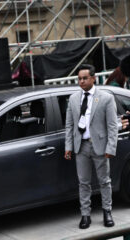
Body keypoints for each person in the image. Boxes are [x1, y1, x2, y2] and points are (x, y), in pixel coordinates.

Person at [64, 64, 118, 229]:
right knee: (83, 183)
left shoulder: (106, 98)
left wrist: (111, 147)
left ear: (93, 78)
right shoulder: (73, 99)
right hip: (81, 147)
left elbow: (112, 126)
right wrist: (68, 146)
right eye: (79, 79)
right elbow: (69, 125)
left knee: (104, 181)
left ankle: (107, 211)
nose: (81, 81)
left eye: (85, 78)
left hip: (99, 146)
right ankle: (85, 214)